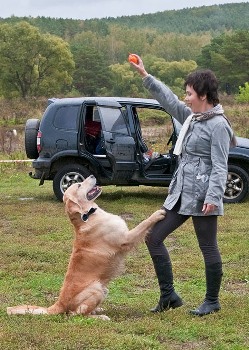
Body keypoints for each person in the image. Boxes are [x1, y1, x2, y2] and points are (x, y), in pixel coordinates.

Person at [129, 54, 236, 316]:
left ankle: (212, 301)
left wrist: (214, 196)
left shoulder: (218, 125)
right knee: (153, 237)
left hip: (203, 196)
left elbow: (220, 165)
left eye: (189, 93)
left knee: (207, 246)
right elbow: (167, 100)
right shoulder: (190, 117)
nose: (186, 97)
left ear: (202, 94)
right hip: (181, 191)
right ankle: (169, 295)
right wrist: (145, 75)